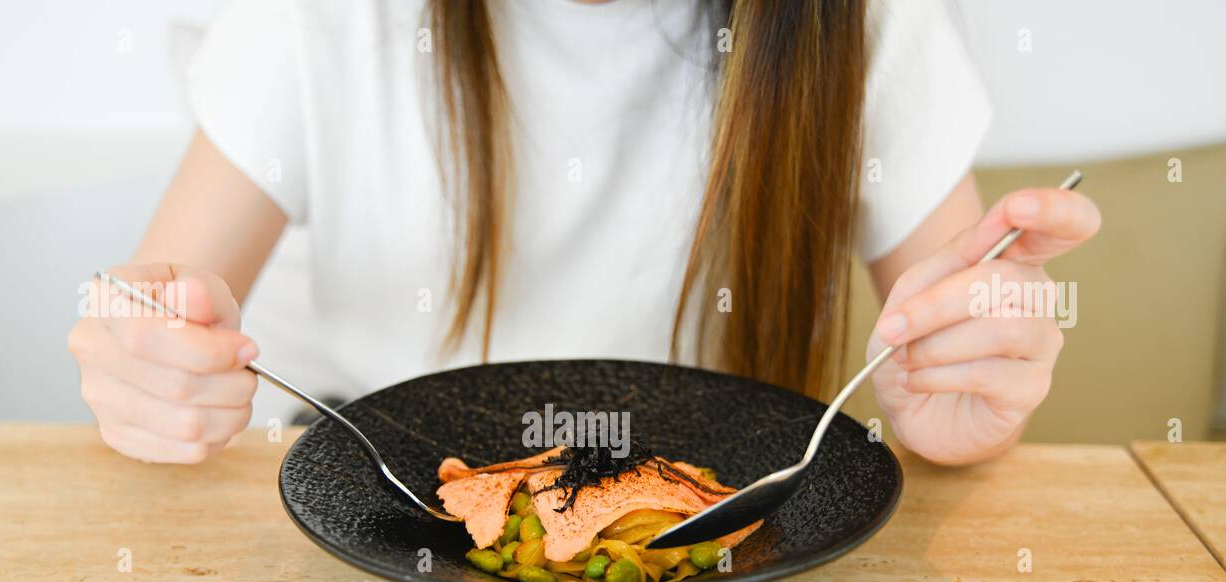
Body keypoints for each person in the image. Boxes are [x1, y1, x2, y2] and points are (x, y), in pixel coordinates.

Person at [68, 0, 1100, 467]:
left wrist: (967, 406)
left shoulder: (866, 24)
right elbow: (160, 308)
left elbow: (957, 362)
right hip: (369, 528)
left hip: (708, 551)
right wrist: (147, 365)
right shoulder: (319, 18)